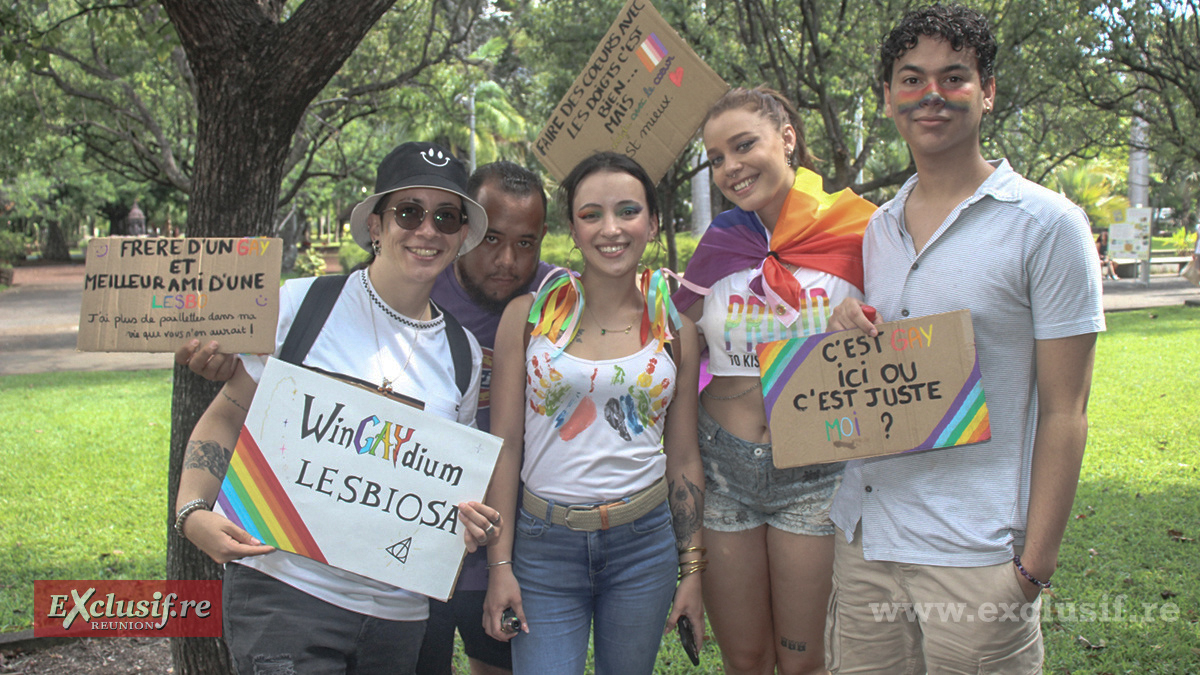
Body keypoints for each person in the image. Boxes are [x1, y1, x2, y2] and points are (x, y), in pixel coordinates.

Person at [177, 160, 554, 675]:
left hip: (397, 619)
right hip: (286, 595)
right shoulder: (301, 305)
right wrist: (192, 511)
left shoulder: (462, 354)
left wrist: (465, 521)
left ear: (462, 235)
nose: (427, 230)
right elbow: (227, 415)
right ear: (376, 226)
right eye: (409, 212)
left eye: (446, 217)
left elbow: (448, 487)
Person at [825, 6, 1104, 672]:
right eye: (911, 78)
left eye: (953, 77)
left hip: (976, 557)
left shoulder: (1046, 224)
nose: (931, 95)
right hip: (867, 543)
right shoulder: (880, 228)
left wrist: (1033, 564)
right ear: (889, 97)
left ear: (988, 90)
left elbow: (1067, 411)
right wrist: (851, 327)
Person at [672, 86, 875, 674]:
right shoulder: (721, 243)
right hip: (724, 471)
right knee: (746, 660)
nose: (730, 168)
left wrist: (866, 324)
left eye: (743, 146)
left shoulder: (859, 229)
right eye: (716, 158)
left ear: (786, 138)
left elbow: (905, 329)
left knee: (806, 661)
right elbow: (674, 339)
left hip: (817, 473)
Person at [482, 152, 705, 674]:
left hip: (643, 547)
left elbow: (686, 456)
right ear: (573, 228)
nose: (611, 229)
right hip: (543, 549)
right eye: (591, 214)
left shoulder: (676, 331)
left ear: (653, 223)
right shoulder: (529, 318)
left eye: (628, 211)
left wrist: (692, 569)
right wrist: (500, 565)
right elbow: (505, 447)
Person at [419, 162, 553, 675]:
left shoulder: (561, 300)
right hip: (416, 539)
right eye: (492, 238)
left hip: (510, 551)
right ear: (468, 228)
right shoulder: (417, 287)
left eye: (526, 243)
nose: (507, 261)